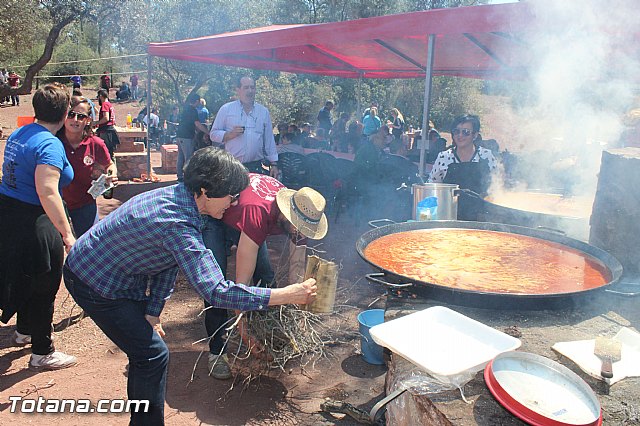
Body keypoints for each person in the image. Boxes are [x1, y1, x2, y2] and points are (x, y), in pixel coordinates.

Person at [63, 148, 317, 424]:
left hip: (115, 277)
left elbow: (165, 262)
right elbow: (217, 291)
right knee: (152, 356)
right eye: (231, 197)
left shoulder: (182, 201)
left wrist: (152, 311)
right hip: (95, 281)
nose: (233, 205)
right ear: (205, 192)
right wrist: (287, 295)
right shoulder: (179, 224)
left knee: (146, 354)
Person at [202, 173, 327, 380]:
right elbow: (239, 288)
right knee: (216, 287)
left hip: (248, 218)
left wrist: (298, 309)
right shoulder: (258, 213)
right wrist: (245, 336)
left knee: (267, 280)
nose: (302, 234)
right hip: (216, 218)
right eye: (300, 229)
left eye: (307, 230)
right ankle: (217, 352)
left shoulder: (303, 210)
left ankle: (269, 335)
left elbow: (296, 270)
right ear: (286, 216)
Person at [0, 83, 77, 370]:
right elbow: (47, 191)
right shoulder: (49, 143)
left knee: (24, 275)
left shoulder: (21, 133)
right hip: (35, 220)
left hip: (10, 214)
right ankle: (42, 351)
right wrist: (68, 234)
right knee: (45, 284)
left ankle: (24, 331)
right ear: (65, 112)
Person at [58, 96, 118, 237]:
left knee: (88, 246)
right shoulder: (53, 142)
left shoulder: (95, 143)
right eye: (71, 115)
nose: (75, 120)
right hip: (57, 205)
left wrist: (111, 174)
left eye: (81, 116)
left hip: (85, 205)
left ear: (88, 120)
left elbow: (109, 164)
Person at [428, 114, 498, 220]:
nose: (460, 135)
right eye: (456, 131)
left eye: (466, 132)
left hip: (481, 217)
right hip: (450, 216)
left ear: (475, 135)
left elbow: (496, 187)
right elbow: (432, 186)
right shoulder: (444, 157)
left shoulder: (486, 156)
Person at [210, 76, 279, 177]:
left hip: (255, 167)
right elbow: (213, 134)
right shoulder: (226, 109)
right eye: (246, 87)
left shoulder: (263, 112)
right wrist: (230, 135)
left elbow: (269, 140)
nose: (250, 91)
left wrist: (274, 164)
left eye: (252, 87)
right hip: (232, 166)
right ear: (238, 90)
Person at [175, 93, 210, 182]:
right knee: (188, 157)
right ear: (197, 101)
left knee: (181, 156)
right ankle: (187, 177)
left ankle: (180, 176)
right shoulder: (192, 110)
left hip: (179, 135)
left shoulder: (185, 108)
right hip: (186, 136)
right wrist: (208, 132)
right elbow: (197, 124)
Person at [94, 89, 120, 159]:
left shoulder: (105, 105)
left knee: (106, 152)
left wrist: (96, 123)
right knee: (110, 152)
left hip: (106, 131)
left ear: (101, 96)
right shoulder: (109, 104)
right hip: (110, 130)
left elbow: (106, 118)